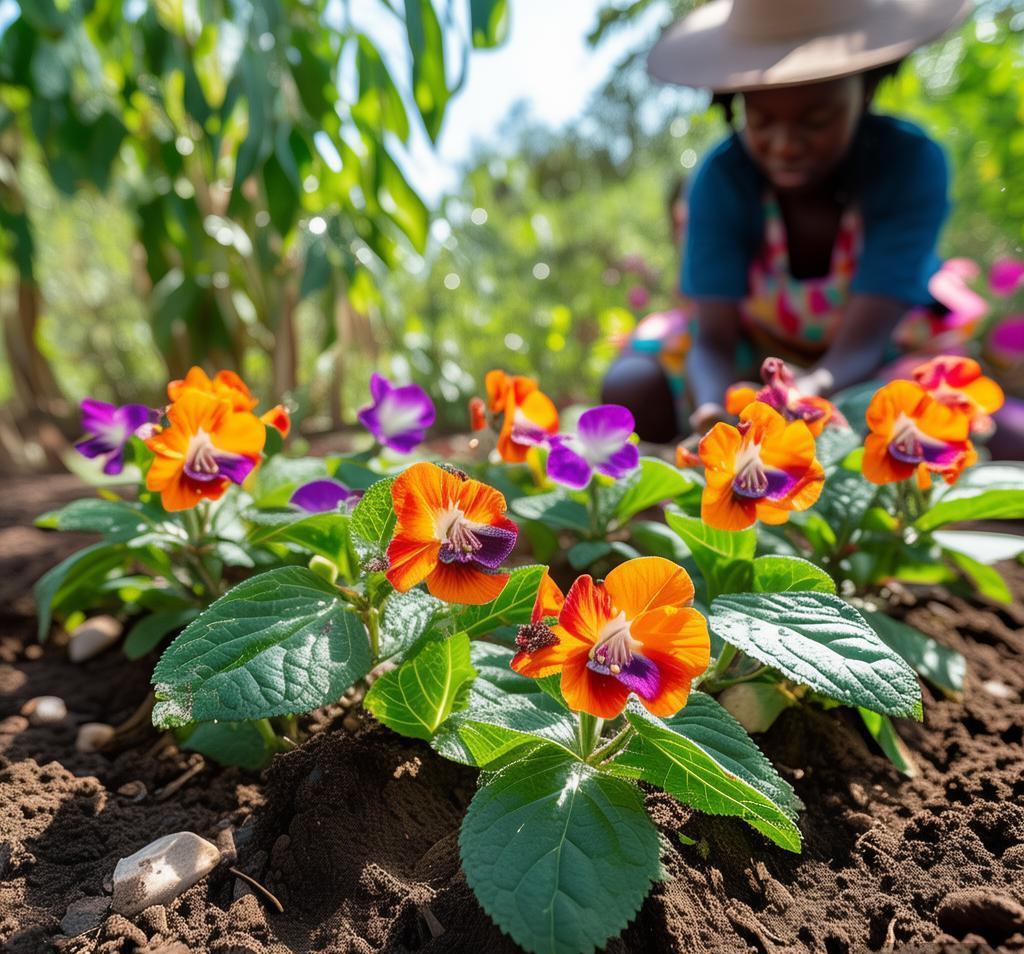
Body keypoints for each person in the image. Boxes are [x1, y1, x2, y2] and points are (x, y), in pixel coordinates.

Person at [608, 0, 972, 441]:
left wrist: (806, 394)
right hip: (749, 351)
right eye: (760, 122)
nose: (783, 146)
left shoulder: (908, 164)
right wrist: (712, 411)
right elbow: (712, 340)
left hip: (875, 355)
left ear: (867, 89)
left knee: (942, 419)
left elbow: (865, 341)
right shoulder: (723, 179)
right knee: (630, 384)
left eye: (816, 120)